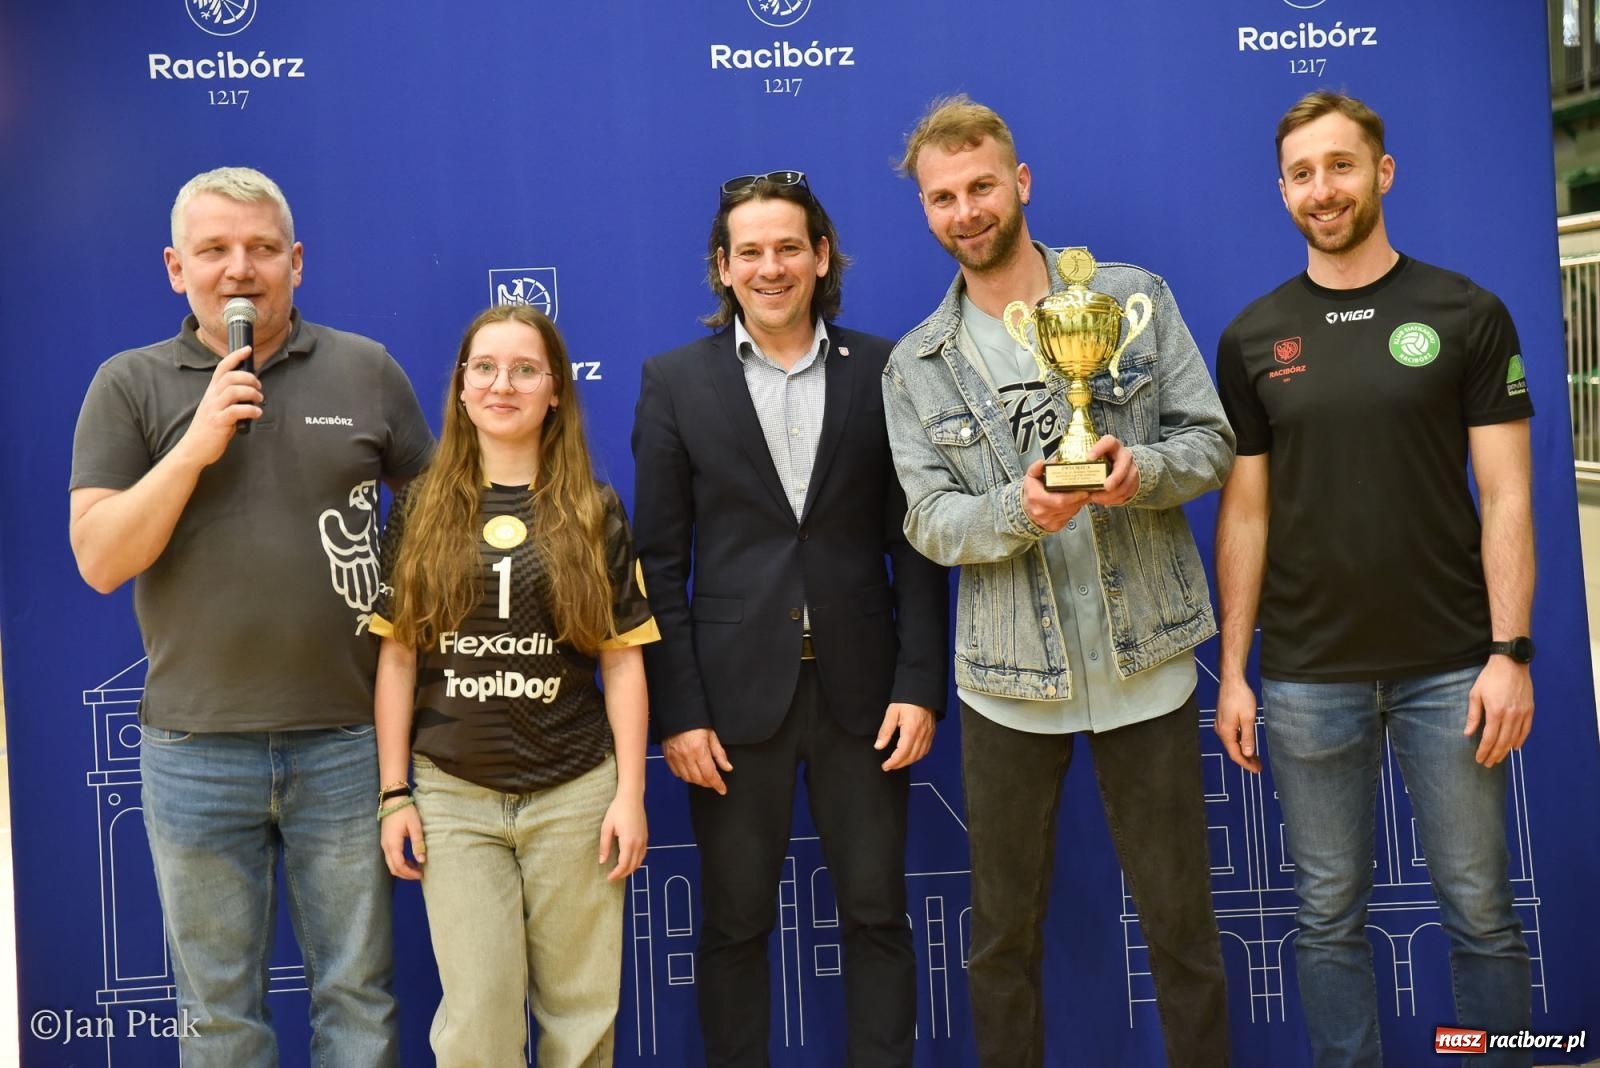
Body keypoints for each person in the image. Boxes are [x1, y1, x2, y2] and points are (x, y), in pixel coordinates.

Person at [881, 95, 1233, 1067]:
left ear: (1021, 182)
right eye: (943, 197)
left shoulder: (1128, 298)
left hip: (1146, 662)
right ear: (925, 209)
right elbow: (927, 520)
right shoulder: (916, 365)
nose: (966, 211)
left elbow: (1209, 444)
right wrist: (1018, 511)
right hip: (1007, 684)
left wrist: (1139, 472)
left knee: (1182, 931)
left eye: (982, 186)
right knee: (1001, 943)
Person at [68, 166, 433, 1065]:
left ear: (296, 262)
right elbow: (100, 560)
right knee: (220, 1016)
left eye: (262, 249)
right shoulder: (129, 384)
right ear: (175, 268)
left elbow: (439, 521)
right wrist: (194, 447)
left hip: (347, 744)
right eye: (215, 250)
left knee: (357, 1000)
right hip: (195, 750)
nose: (240, 269)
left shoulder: (366, 369)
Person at [1213, 89, 1535, 1066]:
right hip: (1309, 676)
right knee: (1326, 916)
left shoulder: (1466, 313)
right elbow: (1246, 514)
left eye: (1341, 166)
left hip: (1453, 669)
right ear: (1282, 191)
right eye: (1302, 174)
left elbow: (1507, 496)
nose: (1323, 189)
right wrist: (1234, 673)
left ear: (1382, 173)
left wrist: (1509, 653)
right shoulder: (1252, 337)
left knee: (1479, 910)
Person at [631, 170, 949, 1066]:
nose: (770, 268)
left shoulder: (884, 370)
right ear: (723, 267)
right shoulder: (674, 382)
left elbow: (917, 541)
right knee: (734, 925)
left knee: (878, 914)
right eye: (750, 252)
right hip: (732, 708)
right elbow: (659, 564)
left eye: (787, 248)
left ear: (820, 256)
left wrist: (919, 684)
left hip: (867, 698)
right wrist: (679, 713)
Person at [371, 303, 656, 1066]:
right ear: (462, 388)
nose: (503, 385)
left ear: (555, 390)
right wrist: (394, 791)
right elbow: (397, 659)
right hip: (454, 796)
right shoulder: (422, 507)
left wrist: (629, 794)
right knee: (479, 1025)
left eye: (525, 370)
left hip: (575, 793)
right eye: (486, 368)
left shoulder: (593, 509)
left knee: (581, 1020)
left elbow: (622, 660)